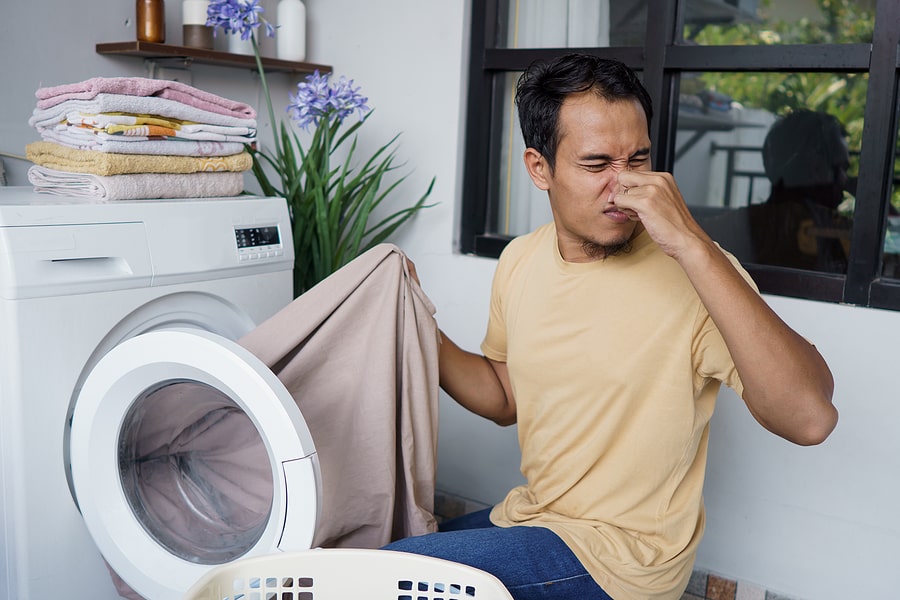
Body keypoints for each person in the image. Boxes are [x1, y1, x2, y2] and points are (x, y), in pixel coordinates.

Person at [385, 54, 838, 600]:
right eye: (598, 165)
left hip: (622, 561)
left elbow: (810, 418)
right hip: (537, 519)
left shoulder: (696, 271)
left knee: (385, 577)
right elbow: (507, 397)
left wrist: (693, 245)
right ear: (539, 168)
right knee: (374, 552)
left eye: (638, 160)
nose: (624, 187)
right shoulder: (521, 260)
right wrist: (417, 325)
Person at [748, 109, 853, 272]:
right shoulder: (828, 231)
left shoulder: (742, 223)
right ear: (815, 166)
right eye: (840, 167)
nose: (845, 180)